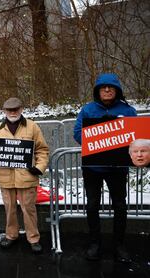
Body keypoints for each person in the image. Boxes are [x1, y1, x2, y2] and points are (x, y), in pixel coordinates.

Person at [73, 73, 137, 262]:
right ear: (97, 91)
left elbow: (136, 135)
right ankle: (95, 243)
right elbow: (77, 133)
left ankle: (119, 245)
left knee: (120, 206)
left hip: (117, 169)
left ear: (117, 90)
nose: (107, 90)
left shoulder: (128, 111)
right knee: (92, 206)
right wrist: (102, 141)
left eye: (111, 87)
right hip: (93, 168)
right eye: (103, 87)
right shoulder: (87, 110)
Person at [0, 97, 49, 253]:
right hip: (5, 177)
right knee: (9, 208)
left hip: (27, 176)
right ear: (4, 111)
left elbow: (42, 150)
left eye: (15, 109)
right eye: (9, 110)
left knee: (29, 209)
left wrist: (39, 167)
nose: (12, 112)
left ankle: (33, 238)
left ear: (21, 109)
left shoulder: (32, 127)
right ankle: (11, 235)